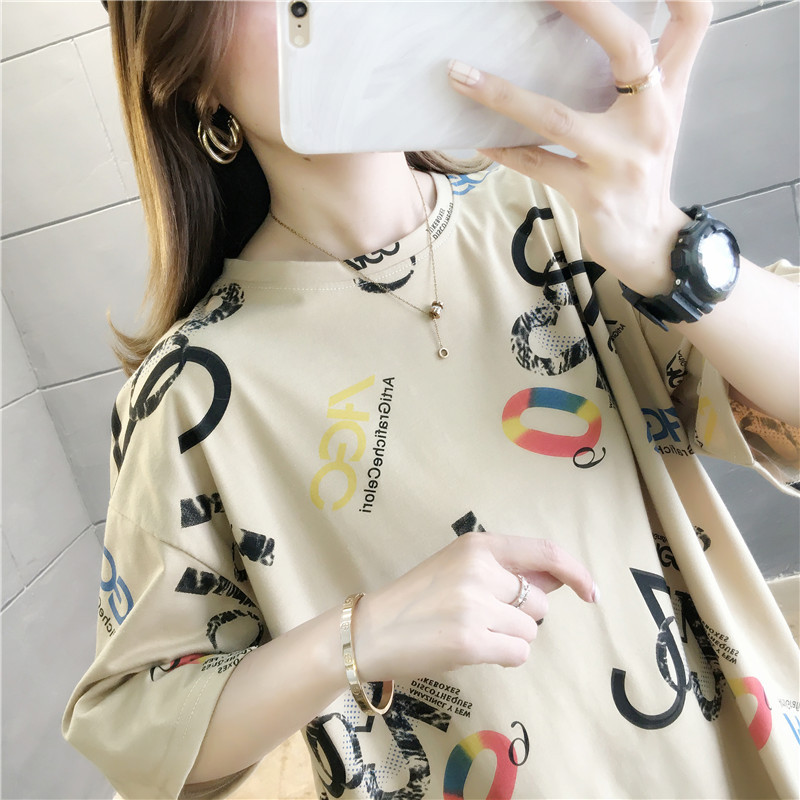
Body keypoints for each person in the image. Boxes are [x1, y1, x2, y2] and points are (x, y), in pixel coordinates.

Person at [63, 1, 800, 798]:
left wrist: (664, 244)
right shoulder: (191, 393)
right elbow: (139, 732)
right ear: (194, 71)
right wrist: (361, 635)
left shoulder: (557, 213)